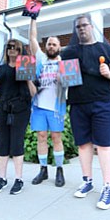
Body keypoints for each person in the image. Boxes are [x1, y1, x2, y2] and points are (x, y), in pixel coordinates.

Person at [61, 14, 110, 210]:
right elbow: (64, 80)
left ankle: (107, 186)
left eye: (84, 25)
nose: (81, 28)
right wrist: (60, 75)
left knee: (104, 145)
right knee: (83, 145)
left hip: (102, 103)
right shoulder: (69, 52)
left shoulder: (104, 47)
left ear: (91, 27)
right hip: (78, 104)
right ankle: (87, 181)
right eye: (77, 26)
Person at [0, 39, 36, 195]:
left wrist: (28, 78)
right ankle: (2, 178)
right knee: (2, 142)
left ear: (19, 50)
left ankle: (19, 179)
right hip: (2, 108)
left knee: (17, 142)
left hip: (21, 109)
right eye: (9, 47)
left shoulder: (25, 67)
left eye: (15, 47)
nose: (12, 49)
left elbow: (33, 93)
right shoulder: (1, 69)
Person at [29, 18, 67, 187]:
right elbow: (32, 38)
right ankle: (43, 170)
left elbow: (71, 84)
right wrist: (33, 19)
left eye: (54, 44)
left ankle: (59, 170)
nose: (51, 46)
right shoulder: (40, 59)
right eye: (49, 44)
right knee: (41, 137)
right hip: (38, 106)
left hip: (56, 108)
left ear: (59, 47)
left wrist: (63, 78)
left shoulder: (64, 64)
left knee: (56, 137)